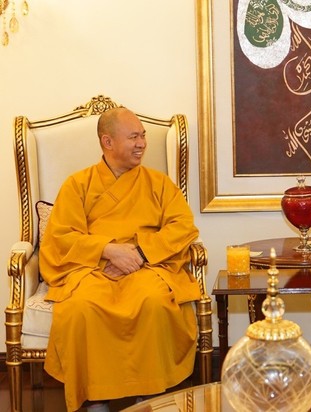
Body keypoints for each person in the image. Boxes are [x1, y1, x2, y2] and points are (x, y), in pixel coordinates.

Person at [40, 107, 202, 411]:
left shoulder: (159, 184)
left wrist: (139, 253)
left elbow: (183, 227)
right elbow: (60, 237)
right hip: (93, 269)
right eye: (133, 137)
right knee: (79, 308)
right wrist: (107, 250)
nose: (142, 143)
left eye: (143, 136)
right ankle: (96, 399)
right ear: (108, 142)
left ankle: (148, 395)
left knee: (154, 302)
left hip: (147, 266)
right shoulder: (78, 184)